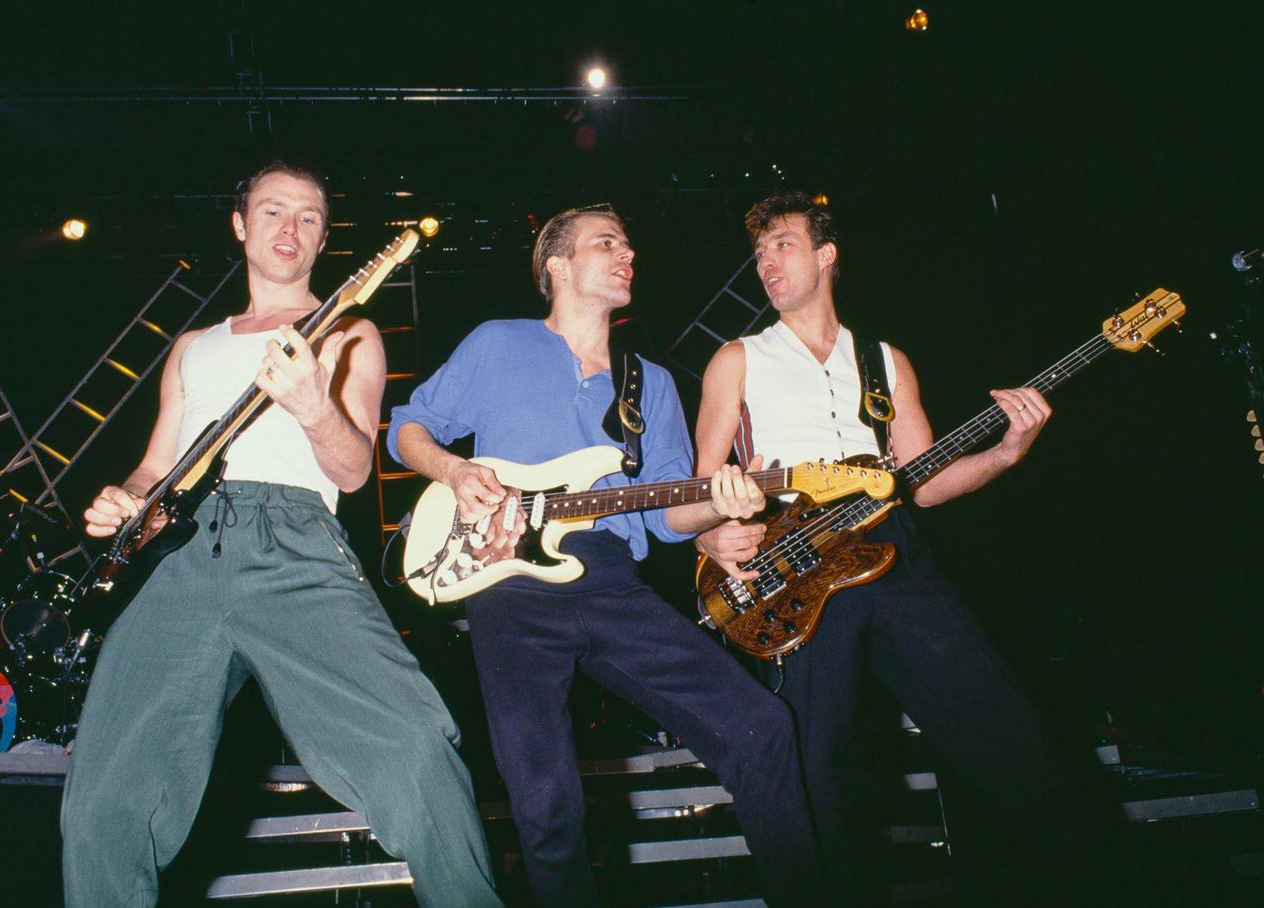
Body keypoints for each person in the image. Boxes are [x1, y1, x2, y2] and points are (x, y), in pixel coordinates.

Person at [60, 161, 502, 908]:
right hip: (182, 558)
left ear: (325, 238)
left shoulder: (350, 331)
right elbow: (153, 470)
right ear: (240, 225)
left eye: (307, 217)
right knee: (103, 802)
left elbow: (356, 467)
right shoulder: (192, 346)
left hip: (296, 543)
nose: (289, 228)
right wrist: (122, 500)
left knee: (415, 751)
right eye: (272, 212)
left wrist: (311, 405)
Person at [388, 204, 826, 906]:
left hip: (613, 582)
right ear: (556, 266)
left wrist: (725, 500)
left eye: (627, 242)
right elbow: (410, 425)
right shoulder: (498, 344)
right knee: (545, 796)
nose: (628, 253)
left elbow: (666, 516)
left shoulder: (646, 382)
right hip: (512, 589)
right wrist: (452, 471)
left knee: (763, 728)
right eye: (607, 242)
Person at [693, 190, 1093, 903]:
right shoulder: (738, 359)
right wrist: (716, 529)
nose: (766, 263)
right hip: (796, 560)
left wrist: (1008, 451)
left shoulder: (883, 362)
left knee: (1003, 729)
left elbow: (927, 483)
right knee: (818, 771)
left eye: (781, 245)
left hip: (891, 549)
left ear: (826, 254)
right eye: (758, 254)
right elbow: (701, 488)